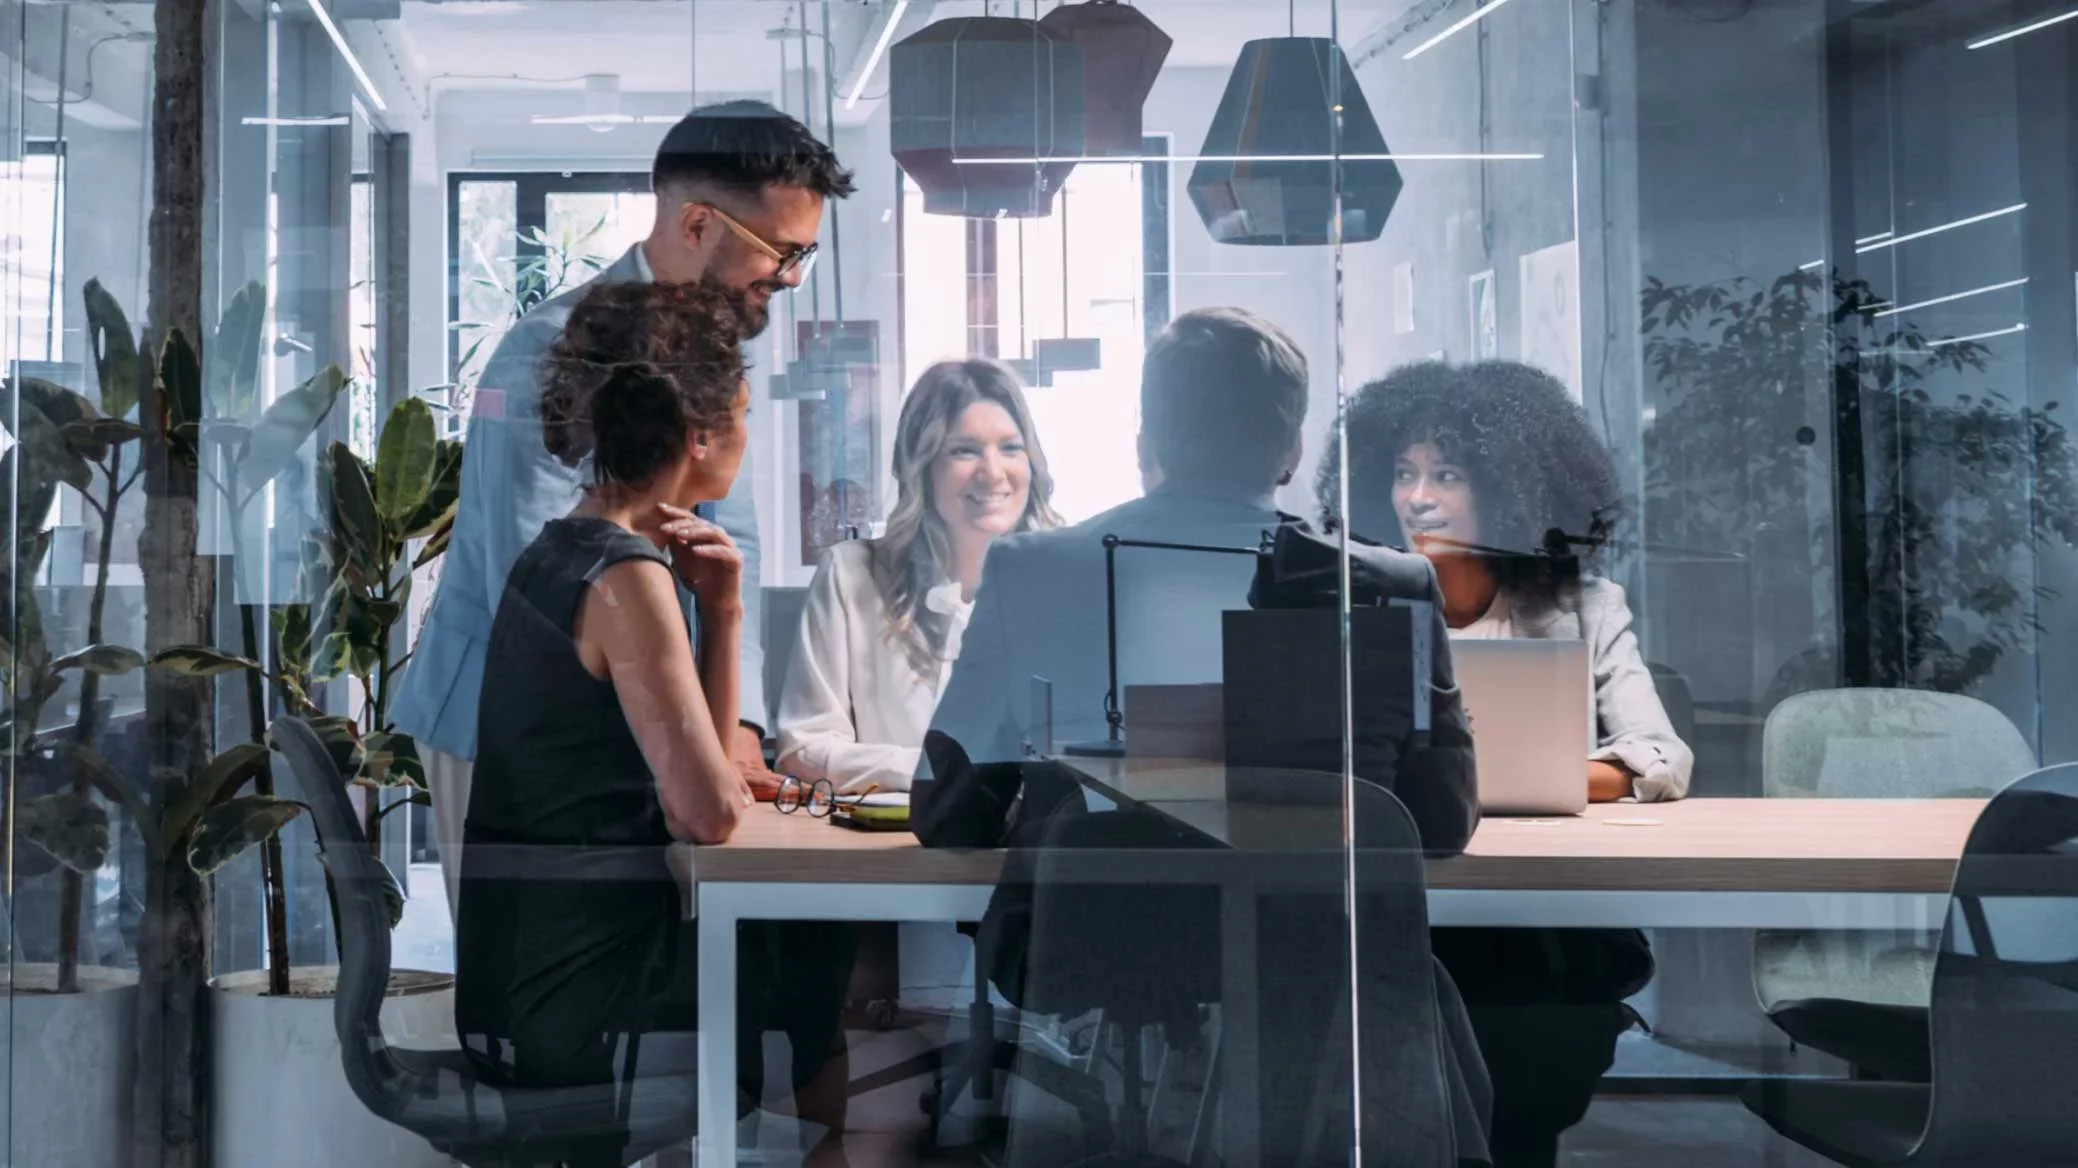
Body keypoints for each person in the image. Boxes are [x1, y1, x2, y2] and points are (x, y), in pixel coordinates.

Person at [396, 100, 854, 918]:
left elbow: (722, 535)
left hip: (640, 716)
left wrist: (735, 725)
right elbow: (537, 577)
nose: (787, 279)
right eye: (781, 254)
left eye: (802, 257)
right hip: (511, 714)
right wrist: (681, 736)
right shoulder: (548, 349)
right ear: (698, 223)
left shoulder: (711, 351)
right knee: (534, 988)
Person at [1322, 358, 1694, 1168]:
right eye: (1403, 472)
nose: (1418, 496)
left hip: (1541, 924)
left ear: (1507, 488)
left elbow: (1660, 755)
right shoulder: (1358, 611)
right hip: (1405, 910)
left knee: (1525, 1068)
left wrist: (1522, 781)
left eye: (1446, 474)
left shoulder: (1583, 606)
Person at [455, 280, 752, 1098]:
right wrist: (714, 612)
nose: (747, 436)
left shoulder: (560, 548)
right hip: (585, 1001)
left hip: (523, 981)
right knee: (843, 961)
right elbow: (711, 815)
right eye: (746, 415)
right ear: (698, 436)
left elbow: (706, 790)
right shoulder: (625, 576)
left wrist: (720, 613)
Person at [778, 359, 1061, 793]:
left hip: (1034, 846)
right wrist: (940, 772)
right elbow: (804, 749)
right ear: (922, 467)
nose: (993, 472)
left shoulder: (1065, 582)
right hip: (895, 851)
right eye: (963, 450)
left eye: (1010, 447)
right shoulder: (852, 574)